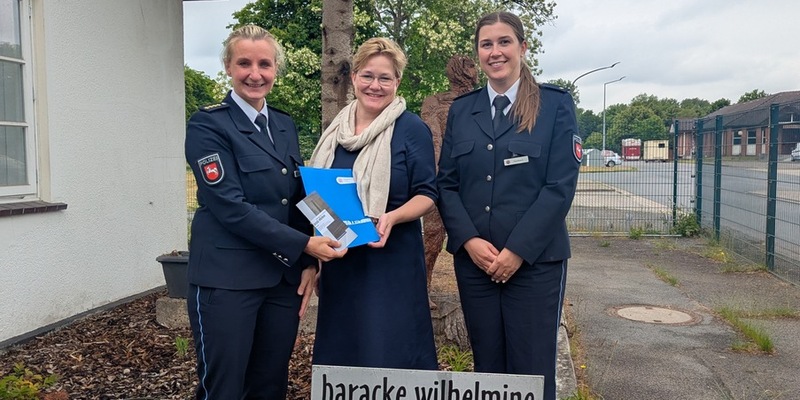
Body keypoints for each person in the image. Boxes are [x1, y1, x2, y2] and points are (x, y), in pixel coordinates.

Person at [184, 25, 346, 399]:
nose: (254, 74)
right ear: (227, 66)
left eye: (264, 64)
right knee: (223, 387)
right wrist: (307, 245)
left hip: (281, 281)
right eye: (244, 63)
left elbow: (297, 195)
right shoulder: (208, 125)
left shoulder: (284, 124)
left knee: (270, 384)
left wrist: (328, 244)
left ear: (275, 70)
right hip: (227, 281)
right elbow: (230, 207)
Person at [436, 11, 581, 400]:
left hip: (534, 265)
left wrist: (516, 251)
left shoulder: (554, 106)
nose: (495, 51)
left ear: (522, 47)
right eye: (486, 44)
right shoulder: (463, 111)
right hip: (476, 263)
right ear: (478, 52)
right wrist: (467, 241)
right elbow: (446, 185)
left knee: (531, 371)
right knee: (488, 369)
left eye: (504, 42)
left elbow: (559, 187)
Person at [309, 37, 439, 370]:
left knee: (390, 349)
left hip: (390, 259)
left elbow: (427, 193)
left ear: (397, 82)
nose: (375, 85)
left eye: (385, 78)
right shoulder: (335, 130)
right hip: (341, 259)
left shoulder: (411, 129)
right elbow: (316, 194)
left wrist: (393, 216)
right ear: (354, 77)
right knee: (343, 349)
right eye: (368, 75)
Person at [420, 55, 479, 309]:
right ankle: (422, 288)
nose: (475, 71)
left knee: (479, 237)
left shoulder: (484, 100)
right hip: (442, 179)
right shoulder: (435, 102)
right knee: (433, 237)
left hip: (476, 183)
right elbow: (432, 139)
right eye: (471, 65)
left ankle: (479, 292)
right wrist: (435, 179)